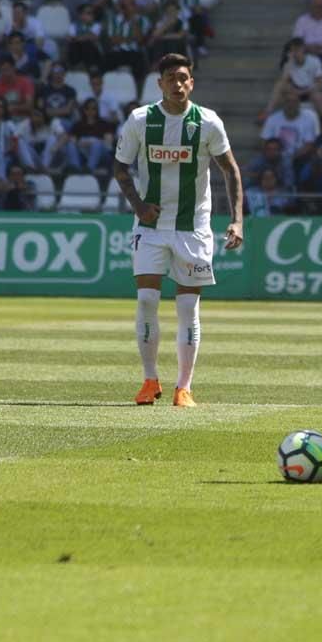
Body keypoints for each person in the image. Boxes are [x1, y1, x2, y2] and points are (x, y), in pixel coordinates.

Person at [111, 53, 244, 408]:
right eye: (171, 77)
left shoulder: (208, 122)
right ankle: (149, 380)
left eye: (184, 77)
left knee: (188, 308)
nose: (178, 83)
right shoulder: (141, 120)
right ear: (160, 84)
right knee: (146, 300)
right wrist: (139, 206)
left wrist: (237, 219)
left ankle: (183, 387)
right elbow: (120, 168)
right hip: (150, 226)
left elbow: (230, 170)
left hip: (193, 227)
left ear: (192, 83)